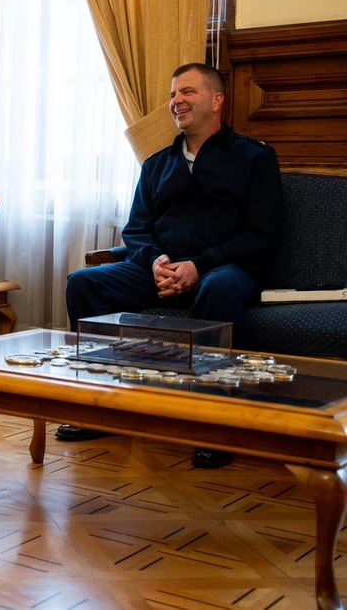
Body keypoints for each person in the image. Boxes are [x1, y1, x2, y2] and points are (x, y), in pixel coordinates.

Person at [61, 63, 283, 469]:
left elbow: (261, 235)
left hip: (224, 270)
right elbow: (137, 231)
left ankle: (216, 423)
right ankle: (102, 406)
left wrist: (199, 266)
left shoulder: (255, 158)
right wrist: (156, 263)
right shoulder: (156, 164)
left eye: (187, 92)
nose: (176, 101)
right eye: (172, 94)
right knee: (84, 283)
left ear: (217, 101)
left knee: (219, 289)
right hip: (159, 271)